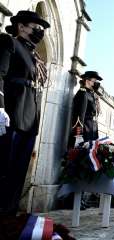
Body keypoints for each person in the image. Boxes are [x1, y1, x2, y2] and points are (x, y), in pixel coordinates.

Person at [0, 11, 50, 216]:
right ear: (21, 26)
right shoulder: (8, 42)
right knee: (4, 168)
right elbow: (0, 73)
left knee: (19, 173)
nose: (40, 32)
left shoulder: (33, 55)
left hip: (30, 120)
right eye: (36, 27)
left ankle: (8, 216)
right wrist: (0, 106)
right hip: (12, 113)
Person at [69, 71, 102, 148]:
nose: (96, 84)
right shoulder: (83, 94)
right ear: (87, 81)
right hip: (84, 134)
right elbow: (79, 117)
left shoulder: (91, 95)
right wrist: (78, 136)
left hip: (92, 133)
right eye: (94, 81)